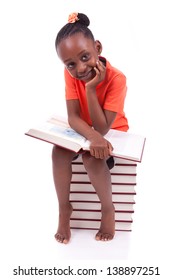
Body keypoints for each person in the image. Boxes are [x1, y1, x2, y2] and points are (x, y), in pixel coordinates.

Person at [52, 12, 129, 244]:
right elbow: (73, 117)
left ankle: (108, 209)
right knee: (58, 152)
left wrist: (91, 89)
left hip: (112, 130)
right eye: (71, 64)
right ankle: (64, 209)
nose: (80, 68)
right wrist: (92, 136)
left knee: (92, 160)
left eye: (85, 57)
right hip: (85, 130)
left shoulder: (117, 79)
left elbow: (103, 127)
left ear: (97, 47)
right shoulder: (70, 75)